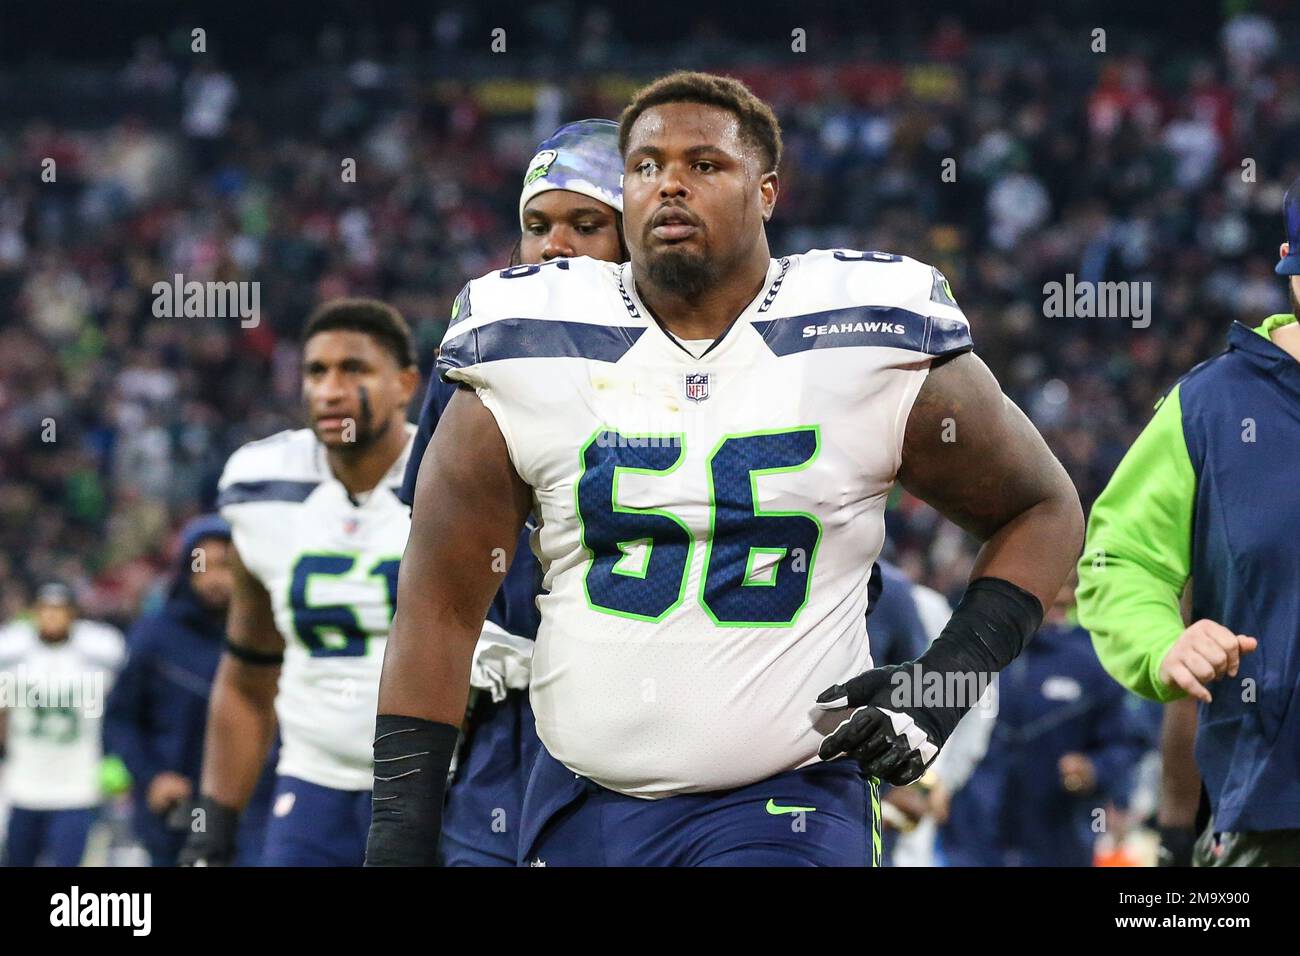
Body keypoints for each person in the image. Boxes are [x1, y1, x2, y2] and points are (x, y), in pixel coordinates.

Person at [368, 71, 1083, 867]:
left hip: (788, 798)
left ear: (767, 191)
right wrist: (397, 837)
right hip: (578, 799)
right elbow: (436, 606)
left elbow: (1041, 508)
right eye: (646, 166)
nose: (670, 182)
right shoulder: (528, 339)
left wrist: (940, 688)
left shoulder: (866, 328)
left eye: (705, 164)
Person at [398, 118, 627, 866]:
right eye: (537, 225)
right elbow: (430, 553)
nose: (556, 245)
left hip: (636, 710)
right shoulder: (484, 347)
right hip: (504, 722)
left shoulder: (698, 352)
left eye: (586, 224)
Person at [1077, 177, 1300, 866]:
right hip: (1276, 814)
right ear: (1292, 266)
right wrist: (1161, 643)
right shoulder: (1208, 408)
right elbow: (1120, 559)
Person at [179, 299, 423, 866]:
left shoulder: (453, 469)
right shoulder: (260, 484)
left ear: (405, 384)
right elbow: (248, 671)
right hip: (314, 781)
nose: (330, 390)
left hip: (444, 781)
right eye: (316, 371)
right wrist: (213, 821)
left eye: (354, 369)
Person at [938, 575, 1145, 866]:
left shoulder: (1094, 663)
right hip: (970, 840)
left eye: (1071, 585)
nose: (1062, 596)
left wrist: (1092, 770)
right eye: (1056, 579)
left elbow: (1126, 744)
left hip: (1058, 842)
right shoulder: (974, 652)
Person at [104, 514, 275, 865]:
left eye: (226, 565)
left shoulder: (270, 632)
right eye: (202, 566)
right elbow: (121, 720)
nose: (215, 578)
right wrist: (152, 778)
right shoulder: (154, 636)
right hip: (179, 807)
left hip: (253, 806)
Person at [0, 584, 124, 866]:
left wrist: (112, 757)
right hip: (23, 783)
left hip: (77, 784)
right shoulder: (13, 656)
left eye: (60, 610)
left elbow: (119, 710)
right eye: (46, 610)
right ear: (34, 613)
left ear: (73, 614)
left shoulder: (97, 655)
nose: (53, 618)